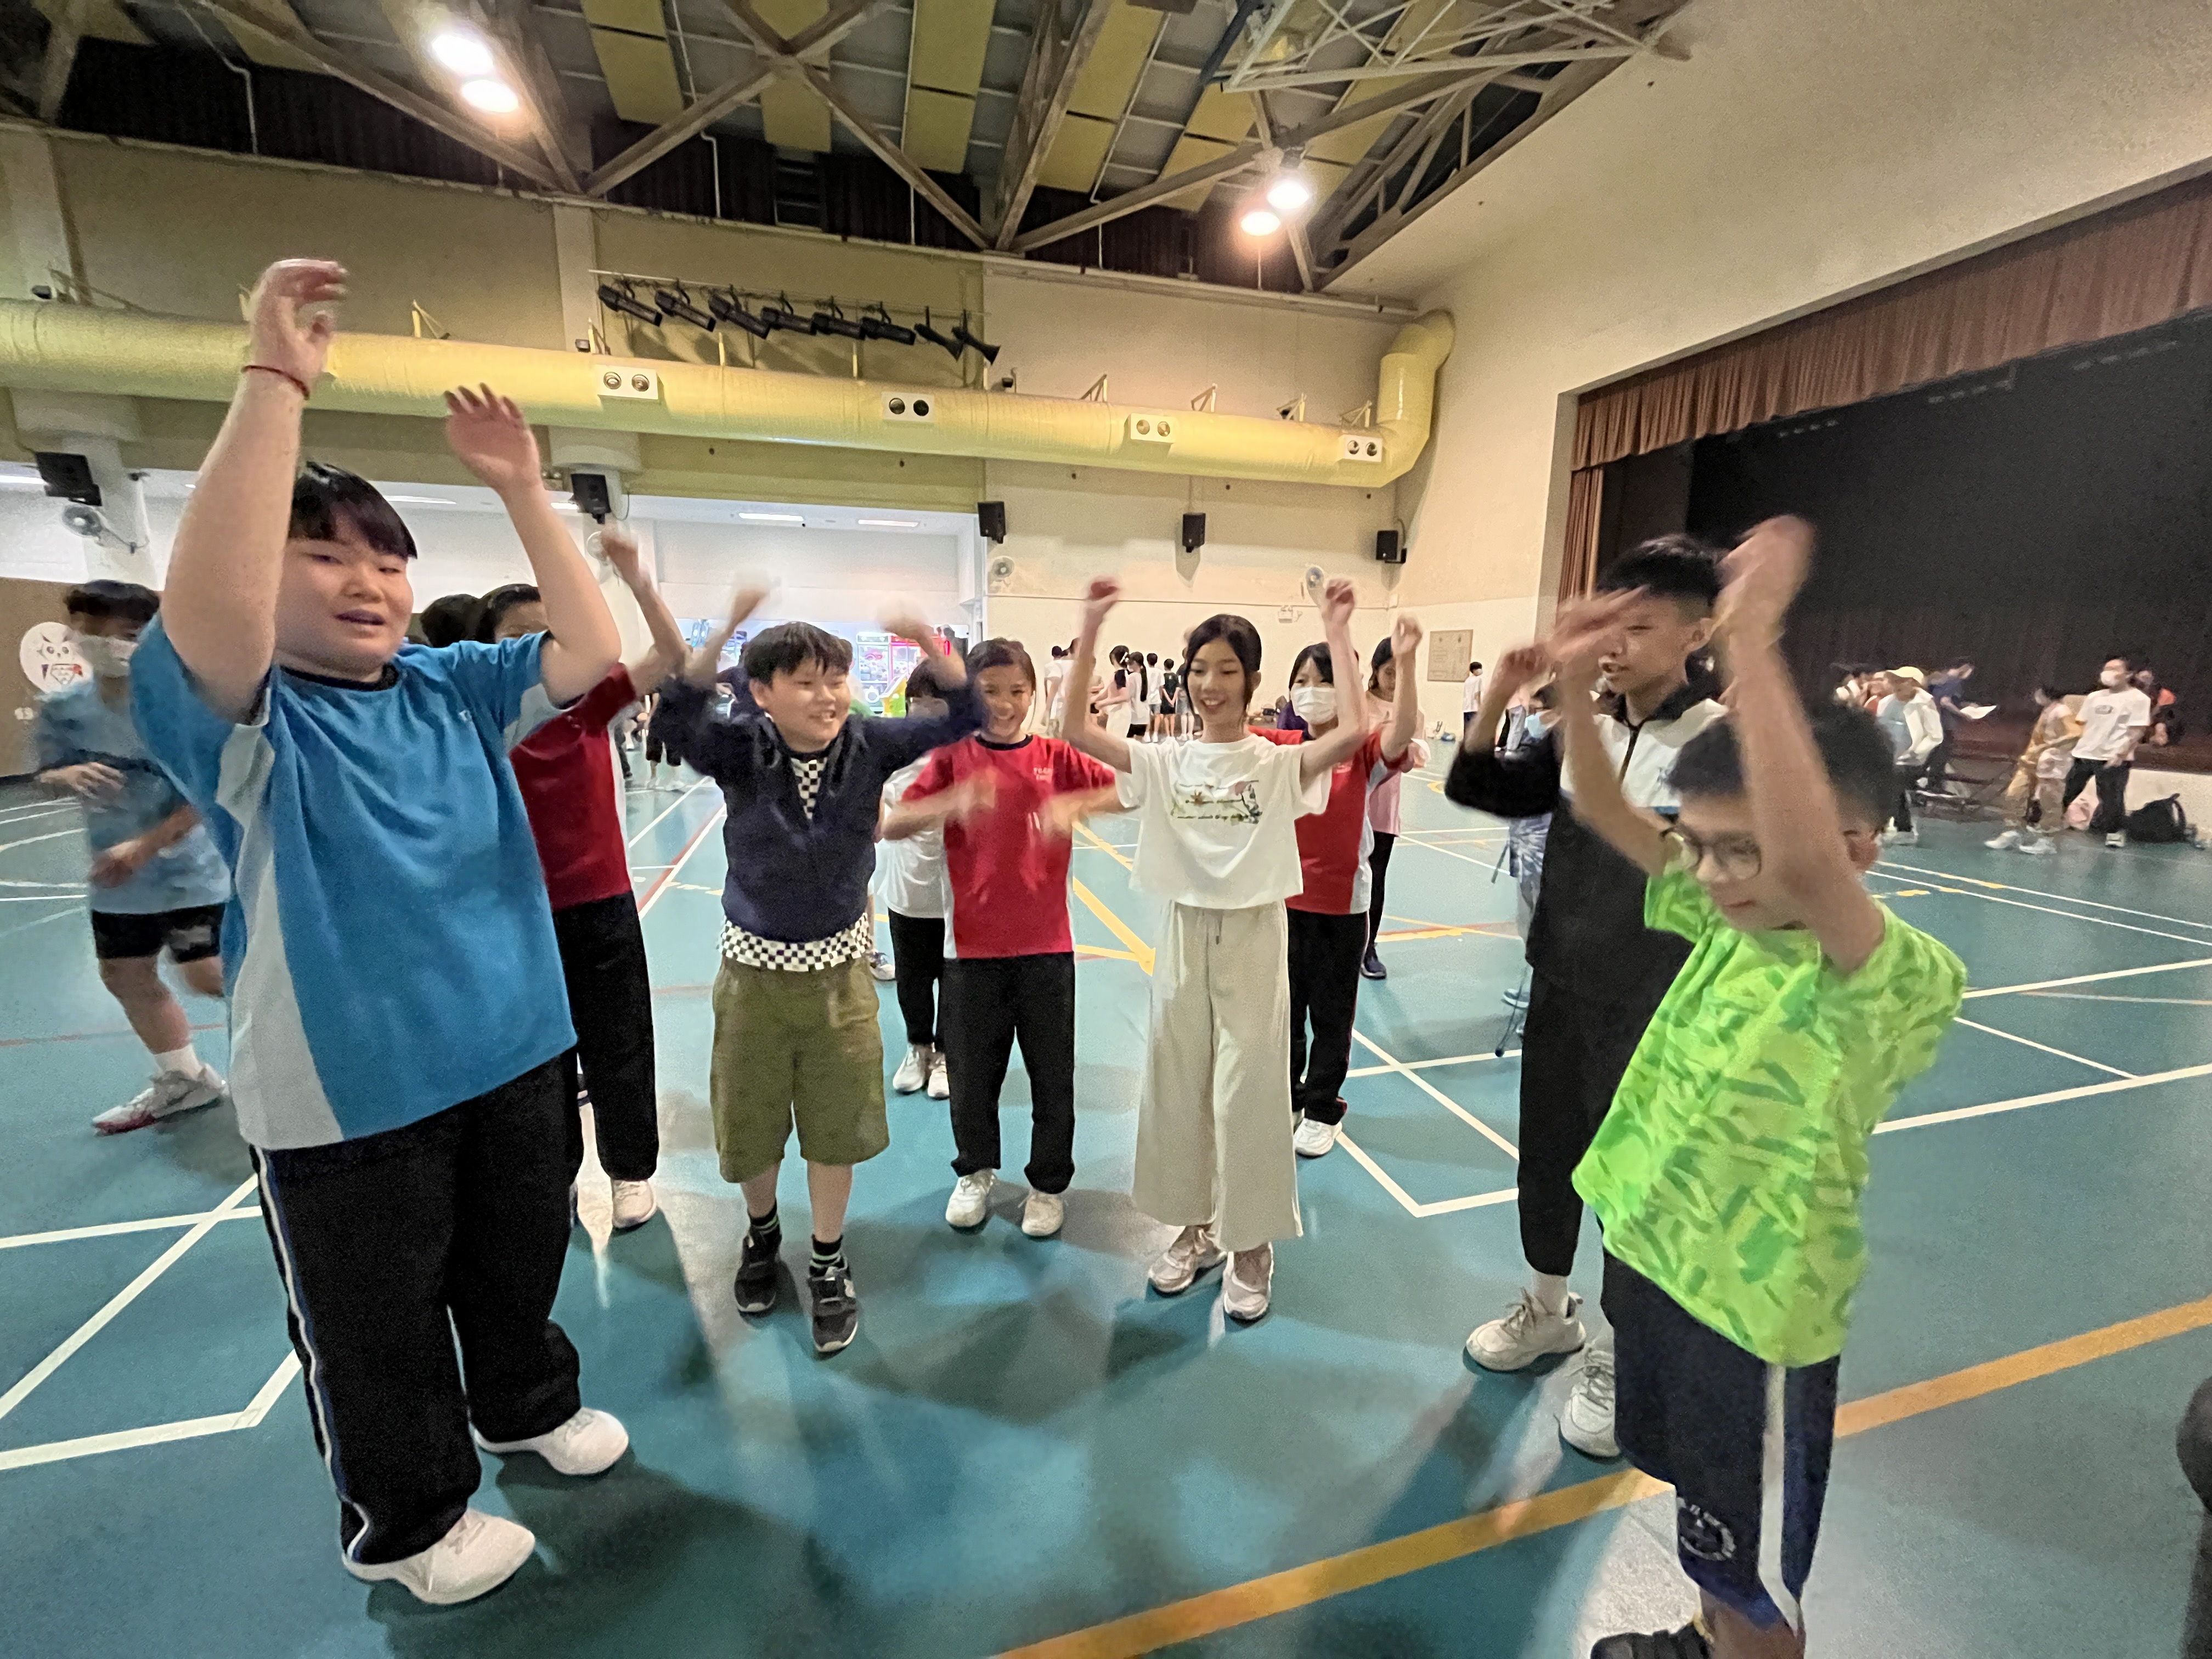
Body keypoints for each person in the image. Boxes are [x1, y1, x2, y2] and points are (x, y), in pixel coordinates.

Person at [131, 261, 631, 1606]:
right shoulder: (240, 721)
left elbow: (589, 652)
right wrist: (274, 384)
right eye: (326, 552)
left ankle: (525, 1403)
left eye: (388, 557)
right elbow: (213, 612)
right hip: (349, 1095)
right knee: (374, 1323)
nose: (367, 580)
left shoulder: (449, 686)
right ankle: (411, 1522)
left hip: (515, 1048)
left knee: (517, 1261)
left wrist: (522, 490)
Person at [1553, 518, 1964, 1659]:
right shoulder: (1725, 917)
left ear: (1859, 846)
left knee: (1756, 1577)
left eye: (1742, 849)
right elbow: (1605, 811)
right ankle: (1705, 1638)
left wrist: (1750, 642)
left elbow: (1803, 863)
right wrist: (1577, 687)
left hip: (1752, 1312)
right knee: (1706, 1528)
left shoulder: (1878, 973)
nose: (1716, 872)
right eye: (1704, 845)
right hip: (1656, 1259)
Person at [1446, 536, 1726, 1459]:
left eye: (1638, 626)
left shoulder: (1720, 742)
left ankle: (1619, 1351)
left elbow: (1704, 874)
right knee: (1549, 1158)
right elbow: (1478, 782)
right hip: (1562, 987)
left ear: (1699, 632)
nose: (1612, 643)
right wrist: (1501, 692)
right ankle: (1548, 1309)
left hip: (1659, 1007)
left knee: (1635, 1186)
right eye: (1604, 623)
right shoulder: (1585, 728)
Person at [663, 590, 981, 1354]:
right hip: (752, 979)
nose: (827, 695)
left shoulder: (868, 745)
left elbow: (965, 714)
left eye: (835, 679)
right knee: (751, 1124)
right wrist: (722, 631)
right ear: (762, 692)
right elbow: (676, 723)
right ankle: (762, 1233)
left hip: (841, 979)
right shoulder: (742, 749)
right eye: (805, 682)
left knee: (835, 1127)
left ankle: (829, 1259)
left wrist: (925, 636)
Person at [1063, 578, 1369, 1321]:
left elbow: (1355, 732)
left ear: (1252, 681)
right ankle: (1195, 1225)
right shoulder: (1167, 761)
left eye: (1227, 670)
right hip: (1182, 933)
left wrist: (1335, 628)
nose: (1210, 684)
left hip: (1255, 933)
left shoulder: (1275, 761)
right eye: (1200, 669)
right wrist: (1091, 624)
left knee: (1249, 1090)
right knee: (1179, 1083)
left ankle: (1252, 1242)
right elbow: (1074, 728)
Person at [484, 526, 687, 1233]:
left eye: (548, 636)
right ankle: (557, 1176)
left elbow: (670, 655)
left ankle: (630, 1171)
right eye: (518, 638)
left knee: (619, 1042)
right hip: (514, 915)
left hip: (599, 903)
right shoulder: (482, 716)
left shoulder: (592, 702)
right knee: (539, 1059)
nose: (538, 651)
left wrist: (637, 579)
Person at [884, 639, 1120, 1235]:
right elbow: (894, 823)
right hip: (970, 952)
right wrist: (953, 800)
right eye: (989, 692)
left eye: (1017, 691)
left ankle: (1047, 1185)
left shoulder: (1054, 756)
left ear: (1033, 694)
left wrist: (1077, 807)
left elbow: (1123, 791)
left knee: (1052, 1078)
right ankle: (975, 1171)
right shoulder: (953, 757)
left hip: (1048, 949)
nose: (1005, 703)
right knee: (972, 1079)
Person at [36, 581, 233, 1134]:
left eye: (121, 632)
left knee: (209, 974)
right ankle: (185, 1079)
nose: (104, 642)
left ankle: (313, 1041)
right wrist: (65, 775)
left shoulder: (182, 704)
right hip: (117, 879)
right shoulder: (65, 709)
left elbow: (211, 789)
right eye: (90, 629)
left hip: (191, 872)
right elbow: (46, 774)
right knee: (124, 975)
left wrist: (145, 846)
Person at [1260, 623, 1424, 1158]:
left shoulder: (1363, 752)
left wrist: (1407, 663)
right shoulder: (1281, 747)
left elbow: (1401, 732)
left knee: (1331, 1016)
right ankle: (1288, 1095)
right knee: (1285, 1012)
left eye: (1323, 681)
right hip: (1284, 904)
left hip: (1342, 908)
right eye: (1301, 681)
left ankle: (1323, 1108)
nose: (1310, 691)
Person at [879, 657, 963, 1102]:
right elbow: (879, 823)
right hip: (907, 891)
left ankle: (946, 1054)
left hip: (956, 893)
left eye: (937, 704)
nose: (926, 712)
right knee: (912, 981)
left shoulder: (969, 754)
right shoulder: (895, 756)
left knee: (952, 979)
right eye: (919, 702)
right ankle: (918, 1048)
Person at [1361, 636, 1431, 981]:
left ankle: (1369, 948)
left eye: (1402, 674)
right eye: (1389, 672)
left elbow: (1414, 759)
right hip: (1351, 805)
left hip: (1384, 809)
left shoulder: (1412, 713)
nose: (1394, 681)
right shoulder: (1359, 705)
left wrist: (1404, 750)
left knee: (1377, 879)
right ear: (1375, 671)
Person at [2063, 656, 2152, 850]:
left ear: (2128, 674)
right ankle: (2052, 824)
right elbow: (2082, 724)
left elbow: (2137, 730)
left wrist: (2121, 754)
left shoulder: (2139, 699)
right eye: (2106, 669)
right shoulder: (2095, 697)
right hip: (2085, 753)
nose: (2108, 673)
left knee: (2112, 799)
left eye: (2114, 669)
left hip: (2113, 757)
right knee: (2067, 791)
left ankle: (2115, 832)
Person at [1986, 685, 2075, 856]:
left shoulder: (2062, 712)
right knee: (2015, 794)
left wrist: (2047, 746)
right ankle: (2012, 830)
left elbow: (2074, 735)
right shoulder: (2048, 710)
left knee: (2049, 801)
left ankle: (2047, 839)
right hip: (2032, 761)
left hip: (2052, 763)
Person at [1871, 667, 1941, 844]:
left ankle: (1895, 828)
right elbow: (1880, 729)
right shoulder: (1886, 703)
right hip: (1887, 755)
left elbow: (1935, 736)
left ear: (1913, 683)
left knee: (1894, 781)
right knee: (1887, 785)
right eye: (1894, 681)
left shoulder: (1925, 704)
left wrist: (1915, 752)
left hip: (1914, 760)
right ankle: (1899, 828)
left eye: (1901, 681)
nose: (1896, 685)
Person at [1923, 657, 1974, 791]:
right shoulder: (1954, 682)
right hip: (1946, 724)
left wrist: (1966, 704)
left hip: (1933, 721)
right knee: (1941, 756)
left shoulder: (1938, 679)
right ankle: (1934, 785)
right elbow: (1946, 702)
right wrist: (1963, 714)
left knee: (1931, 754)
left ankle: (1918, 781)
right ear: (1965, 668)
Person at [1041, 644, 1071, 736]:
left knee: (1052, 716)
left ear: (1052, 654)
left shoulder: (1049, 666)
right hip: (1066, 693)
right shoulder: (1068, 664)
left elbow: (1046, 682)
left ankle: (1051, 734)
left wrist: (1046, 695)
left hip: (1054, 694)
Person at [1461, 659, 1485, 742]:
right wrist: (1480, 707)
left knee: (1467, 727)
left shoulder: (1468, 680)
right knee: (1474, 728)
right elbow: (1477, 695)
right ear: (1474, 670)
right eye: (1478, 668)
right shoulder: (1478, 680)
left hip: (1466, 707)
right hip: (1474, 708)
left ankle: (1466, 743)